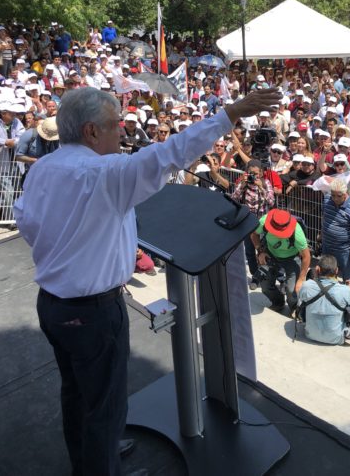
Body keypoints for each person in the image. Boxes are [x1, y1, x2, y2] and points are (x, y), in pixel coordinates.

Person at [14, 86, 280, 476]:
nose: (121, 132)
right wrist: (231, 113)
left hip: (52, 305)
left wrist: (70, 248)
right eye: (115, 124)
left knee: (76, 394)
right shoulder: (106, 174)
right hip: (92, 312)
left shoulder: (42, 169)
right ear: (91, 131)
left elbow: (26, 222)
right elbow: (172, 152)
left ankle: (89, 459)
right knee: (105, 407)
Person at [251, 208, 311, 314]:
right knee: (265, 284)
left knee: (292, 290)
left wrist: (301, 279)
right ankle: (278, 303)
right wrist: (260, 251)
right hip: (270, 254)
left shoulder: (297, 233)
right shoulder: (264, 221)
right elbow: (253, 234)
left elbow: (306, 257)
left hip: (292, 258)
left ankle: (294, 308)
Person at [297, 254, 350, 345]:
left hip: (309, 334)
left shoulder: (306, 285)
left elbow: (300, 304)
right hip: (336, 339)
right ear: (336, 271)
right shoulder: (345, 290)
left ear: (318, 269)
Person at [320, 179, 350, 289]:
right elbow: (325, 218)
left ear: (345, 194)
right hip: (327, 244)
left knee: (348, 276)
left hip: (344, 249)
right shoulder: (327, 199)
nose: (335, 198)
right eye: (333, 195)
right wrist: (321, 233)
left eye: (338, 196)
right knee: (325, 272)